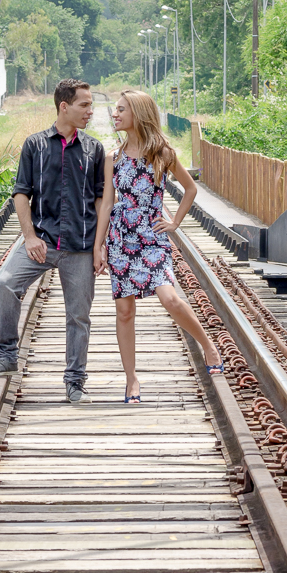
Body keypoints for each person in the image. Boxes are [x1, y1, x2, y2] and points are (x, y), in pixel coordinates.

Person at [93, 89, 223, 404]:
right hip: (121, 240)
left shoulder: (163, 154)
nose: (116, 115)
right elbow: (108, 203)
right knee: (124, 311)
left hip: (151, 239)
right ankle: (132, 381)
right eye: (115, 110)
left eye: (121, 109)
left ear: (138, 113)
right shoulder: (114, 157)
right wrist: (99, 247)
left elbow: (190, 189)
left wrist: (174, 222)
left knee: (170, 298)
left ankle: (207, 345)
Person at [0, 79, 105, 404]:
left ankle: (75, 382)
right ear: (64, 106)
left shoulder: (94, 149)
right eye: (84, 105)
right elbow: (21, 193)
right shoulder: (34, 145)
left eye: (91, 106)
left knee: (78, 315)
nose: (90, 112)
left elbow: (101, 202)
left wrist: (100, 246)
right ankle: (8, 355)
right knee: (6, 283)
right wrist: (29, 236)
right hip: (43, 241)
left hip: (79, 246)